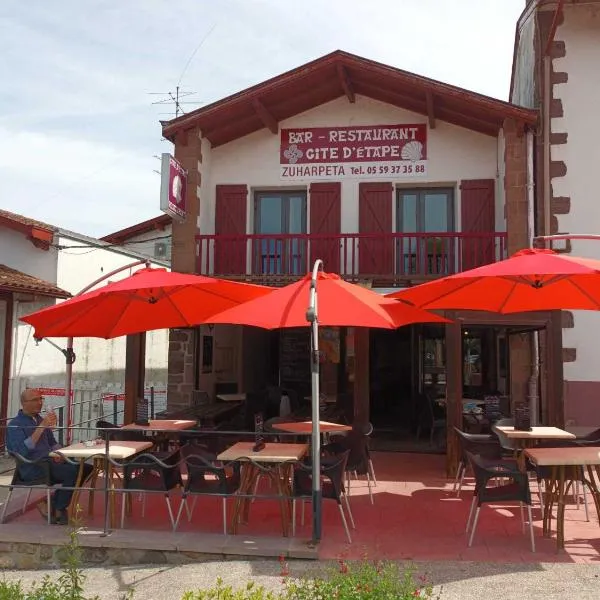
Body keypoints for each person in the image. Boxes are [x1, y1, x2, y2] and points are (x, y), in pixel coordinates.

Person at [6, 388, 92, 525]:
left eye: (41, 399)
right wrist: (41, 427)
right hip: (33, 466)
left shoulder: (39, 419)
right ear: (24, 403)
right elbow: (21, 452)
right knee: (73, 472)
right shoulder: (15, 425)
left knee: (86, 468)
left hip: (50, 461)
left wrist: (59, 453)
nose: (40, 402)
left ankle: (51, 503)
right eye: (35, 399)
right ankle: (59, 509)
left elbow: (53, 443)